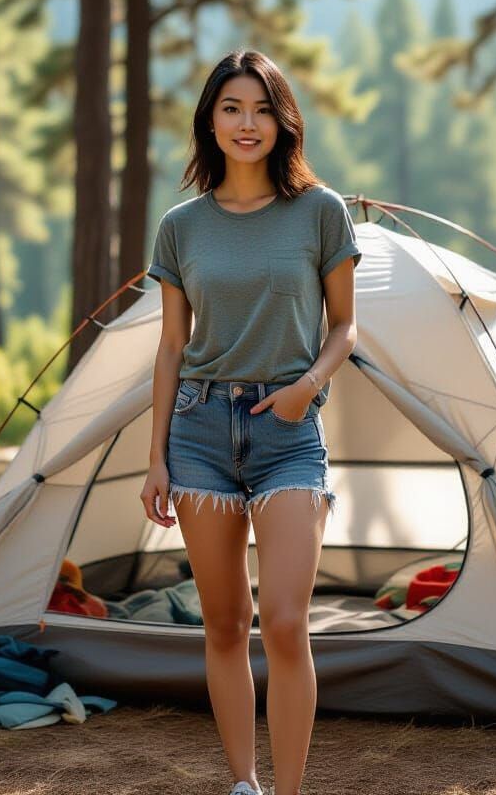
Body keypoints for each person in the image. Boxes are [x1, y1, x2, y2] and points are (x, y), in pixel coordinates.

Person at [141, 49, 362, 795]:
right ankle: (245, 784)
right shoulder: (180, 227)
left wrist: (307, 388)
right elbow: (171, 347)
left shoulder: (319, 211)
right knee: (226, 624)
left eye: (263, 109)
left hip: (287, 433)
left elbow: (345, 327)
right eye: (232, 108)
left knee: (287, 623)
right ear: (209, 120)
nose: (247, 123)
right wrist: (155, 458)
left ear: (283, 121)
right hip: (198, 432)